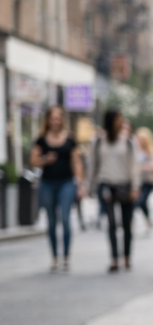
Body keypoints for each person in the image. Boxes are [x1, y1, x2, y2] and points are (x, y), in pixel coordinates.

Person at [31, 105, 84, 272]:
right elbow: (33, 160)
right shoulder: (41, 139)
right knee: (52, 221)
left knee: (66, 219)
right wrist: (45, 160)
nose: (56, 121)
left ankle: (66, 257)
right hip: (47, 184)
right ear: (48, 120)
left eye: (58, 117)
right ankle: (54, 257)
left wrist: (79, 183)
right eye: (52, 118)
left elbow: (76, 161)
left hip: (66, 183)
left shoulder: (70, 139)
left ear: (62, 120)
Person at [89, 110, 139, 272]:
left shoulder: (129, 141)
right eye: (118, 119)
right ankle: (114, 259)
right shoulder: (98, 142)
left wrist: (135, 187)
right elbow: (92, 165)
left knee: (126, 224)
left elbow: (134, 166)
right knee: (111, 223)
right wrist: (88, 187)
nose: (121, 122)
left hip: (125, 185)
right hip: (106, 184)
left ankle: (126, 257)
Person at [135, 127, 153, 232]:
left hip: (148, 181)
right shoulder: (135, 150)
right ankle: (145, 221)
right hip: (137, 181)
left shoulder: (150, 150)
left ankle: (148, 221)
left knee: (142, 201)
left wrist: (140, 167)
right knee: (137, 202)